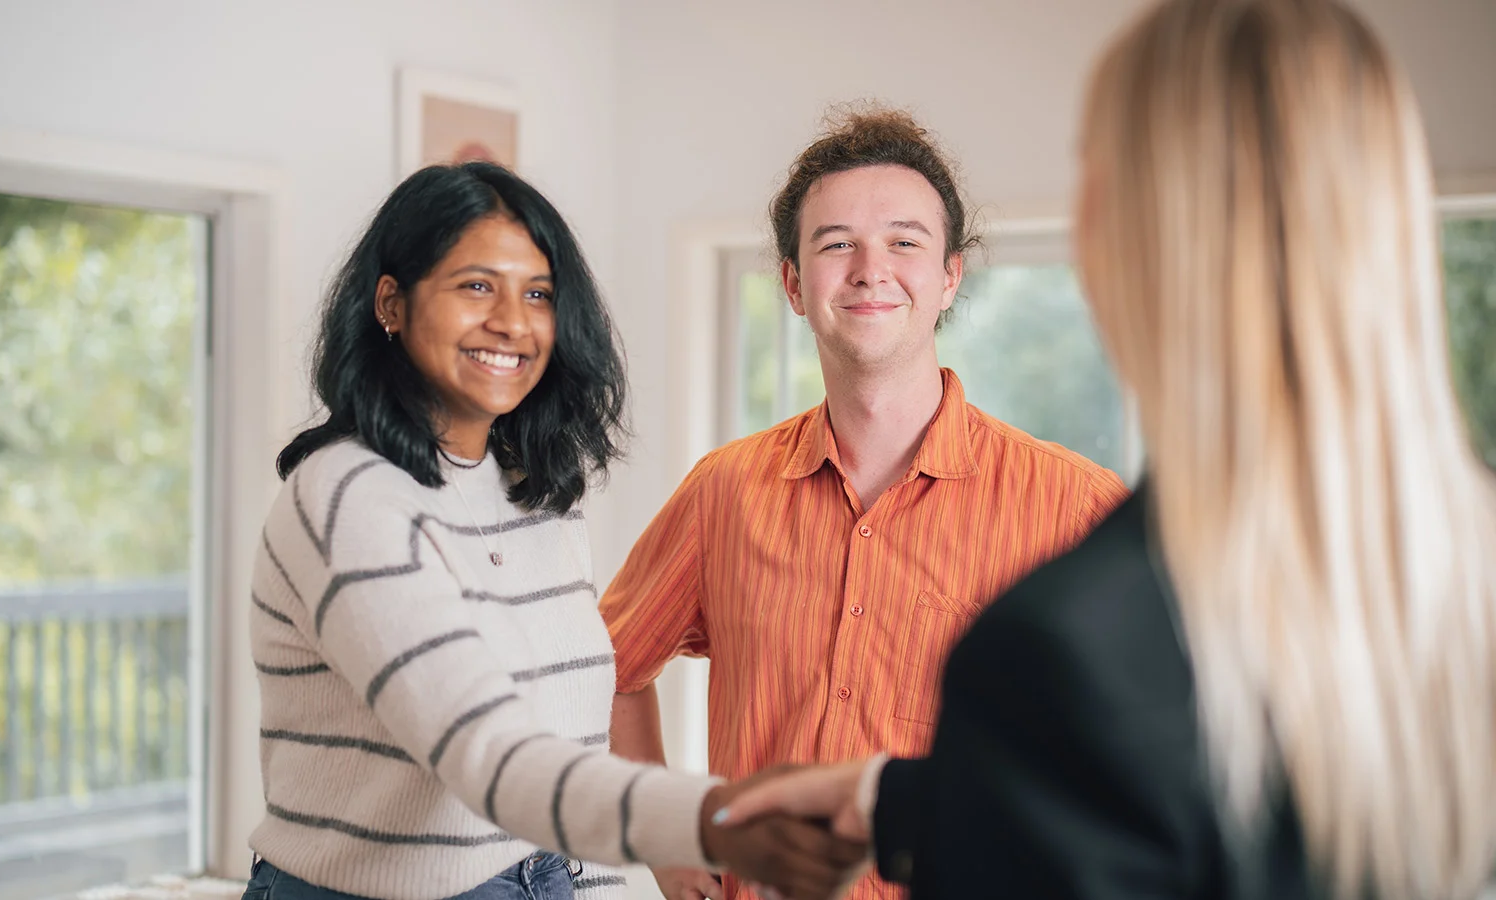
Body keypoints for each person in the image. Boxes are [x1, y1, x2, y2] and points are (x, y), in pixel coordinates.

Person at [717, 1, 1496, 898]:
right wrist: (896, 798)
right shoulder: (1450, 579)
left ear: (1121, 231)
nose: (869, 269)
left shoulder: (1062, 650)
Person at [241, 162, 863, 900]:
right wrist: (714, 821)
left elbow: (573, 732)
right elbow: (488, 755)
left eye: (537, 293)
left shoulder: (539, 498)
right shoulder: (348, 496)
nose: (512, 320)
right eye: (476, 285)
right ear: (391, 304)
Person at [601, 109, 1129, 900]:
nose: (869, 269)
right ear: (791, 282)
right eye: (836, 242)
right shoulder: (723, 493)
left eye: (905, 242)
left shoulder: (1077, 507)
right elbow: (604, 665)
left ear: (950, 276)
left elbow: (1142, 757)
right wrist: (667, 840)